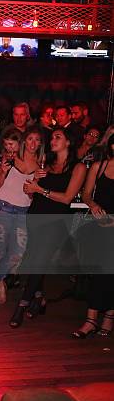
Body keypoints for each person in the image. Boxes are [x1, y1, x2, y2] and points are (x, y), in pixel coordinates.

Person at [10, 127, 86, 328]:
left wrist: (40, 189)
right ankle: (39, 298)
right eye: (52, 137)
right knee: (35, 258)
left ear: (68, 142)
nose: (53, 140)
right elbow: (31, 192)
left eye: (58, 137)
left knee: (38, 260)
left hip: (56, 222)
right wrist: (32, 185)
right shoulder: (47, 164)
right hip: (35, 216)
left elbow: (67, 198)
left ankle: (21, 304)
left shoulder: (77, 168)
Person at [0, 127, 42, 303]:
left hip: (23, 210)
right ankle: (0, 285)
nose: (33, 143)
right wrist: (2, 171)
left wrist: (37, 181)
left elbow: (31, 194)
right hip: (2, 207)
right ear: (24, 141)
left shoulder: (41, 163)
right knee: (1, 250)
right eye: (29, 139)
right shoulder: (10, 158)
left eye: (37, 140)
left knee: (18, 252)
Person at [71, 134, 114, 338]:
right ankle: (90, 320)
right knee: (98, 271)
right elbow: (86, 194)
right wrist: (94, 205)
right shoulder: (99, 167)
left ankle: (109, 317)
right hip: (100, 226)